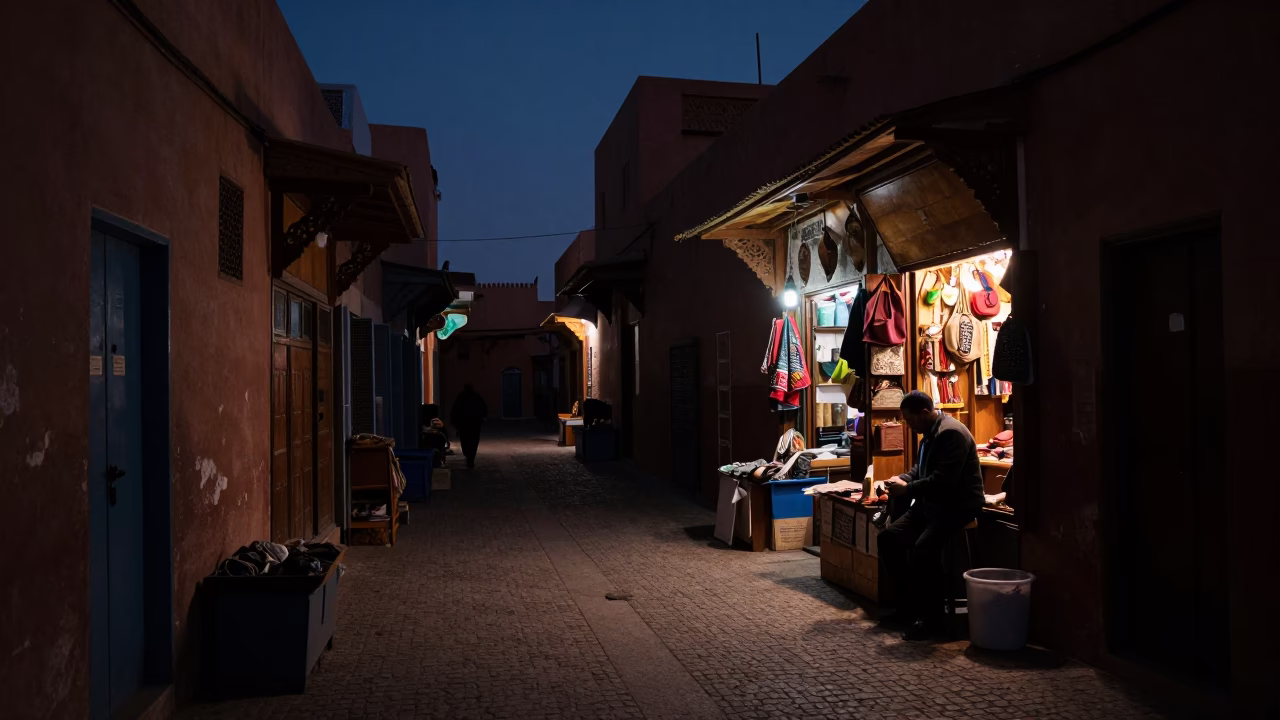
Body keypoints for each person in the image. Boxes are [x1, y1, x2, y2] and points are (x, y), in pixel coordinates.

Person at [880, 390, 984, 641]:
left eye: (909, 419)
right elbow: (921, 469)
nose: (907, 424)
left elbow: (944, 481)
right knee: (889, 538)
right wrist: (902, 479)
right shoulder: (929, 432)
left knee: (923, 550)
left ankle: (932, 621)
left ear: (924, 413)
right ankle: (908, 609)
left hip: (957, 505)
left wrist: (908, 489)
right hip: (933, 503)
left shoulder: (950, 434)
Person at [450, 384, 488, 468]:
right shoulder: (476, 396)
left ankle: (469, 457)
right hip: (475, 422)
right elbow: (484, 407)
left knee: (465, 440)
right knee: (473, 440)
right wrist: (483, 417)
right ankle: (471, 458)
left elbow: (455, 409)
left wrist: (455, 423)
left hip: (464, 423)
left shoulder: (461, 397)